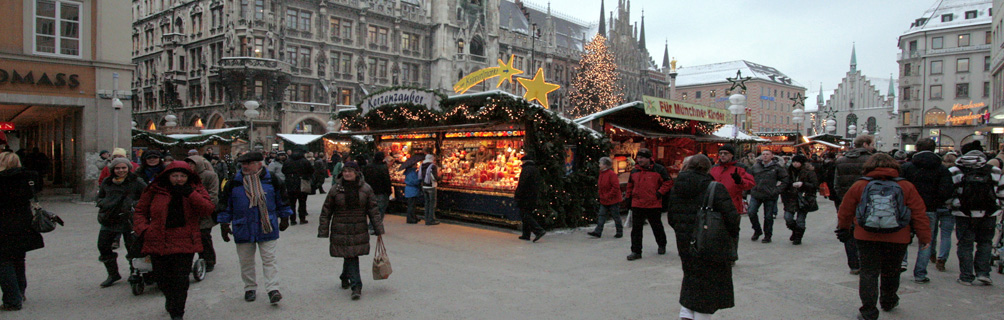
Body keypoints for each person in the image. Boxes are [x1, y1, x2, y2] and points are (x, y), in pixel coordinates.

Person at [837, 153, 930, 320]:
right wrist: (924, 237)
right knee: (892, 271)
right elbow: (919, 213)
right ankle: (888, 300)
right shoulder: (906, 186)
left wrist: (843, 228)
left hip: (866, 235)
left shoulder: (860, 185)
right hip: (898, 236)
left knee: (868, 273)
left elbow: (845, 210)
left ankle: (868, 311)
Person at [133, 161, 215, 320]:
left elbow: (207, 209)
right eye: (175, 176)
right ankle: (171, 301)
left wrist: (190, 193)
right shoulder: (155, 190)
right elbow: (140, 211)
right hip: (158, 238)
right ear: (168, 176)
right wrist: (143, 229)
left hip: (185, 240)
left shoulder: (195, 189)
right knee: (161, 278)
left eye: (183, 176)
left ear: (188, 177)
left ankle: (177, 313)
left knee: (180, 280)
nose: (179, 179)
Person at [666, 154, 739, 320]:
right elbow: (732, 219)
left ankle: (686, 314)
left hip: (685, 242)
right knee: (708, 284)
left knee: (691, 277)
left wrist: (683, 231)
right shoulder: (714, 187)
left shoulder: (677, 186)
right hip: (710, 243)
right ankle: (699, 316)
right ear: (708, 168)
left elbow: (671, 216)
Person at [218, 151, 293, 304]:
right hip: (243, 226)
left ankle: (273, 289)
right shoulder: (234, 182)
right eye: (243, 163)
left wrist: (285, 217)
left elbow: (282, 200)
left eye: (249, 163)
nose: (245, 166)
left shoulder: (272, 180)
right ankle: (250, 288)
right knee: (246, 261)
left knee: (269, 259)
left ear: (259, 164)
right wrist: (224, 224)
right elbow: (225, 204)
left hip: (267, 225)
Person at [317, 162, 385, 300]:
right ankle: (355, 285)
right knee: (351, 255)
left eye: (350, 171)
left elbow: (373, 210)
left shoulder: (366, 189)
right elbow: (326, 210)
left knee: (351, 255)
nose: (347, 174)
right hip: (341, 227)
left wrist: (378, 228)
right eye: (345, 171)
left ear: (357, 173)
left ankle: (348, 279)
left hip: (358, 226)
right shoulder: (335, 189)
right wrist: (323, 229)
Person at [0, 152, 52, 311]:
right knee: (18, 258)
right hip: (24, 221)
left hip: (3, 223)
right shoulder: (30, 177)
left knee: (3, 261)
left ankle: (12, 299)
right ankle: (20, 291)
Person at [948, 141, 1004, 286]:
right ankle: (983, 273)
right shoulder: (995, 170)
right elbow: (1001, 193)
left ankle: (966, 276)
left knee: (965, 244)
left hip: (964, 213)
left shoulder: (955, 170)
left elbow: (949, 193)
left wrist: (952, 206)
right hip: (989, 213)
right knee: (985, 243)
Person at [900, 138, 954, 282]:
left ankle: (902, 261)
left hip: (907, 207)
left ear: (916, 148)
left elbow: (899, 187)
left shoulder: (907, 167)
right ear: (934, 148)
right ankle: (920, 273)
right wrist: (935, 202)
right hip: (929, 208)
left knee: (904, 236)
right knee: (926, 241)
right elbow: (946, 191)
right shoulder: (941, 169)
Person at [95, 158, 146, 287]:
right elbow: (100, 196)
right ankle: (113, 274)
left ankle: (134, 272)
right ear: (113, 169)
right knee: (103, 245)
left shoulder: (136, 181)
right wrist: (104, 203)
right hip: (109, 219)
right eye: (117, 168)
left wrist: (134, 205)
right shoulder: (107, 181)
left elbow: (147, 195)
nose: (121, 170)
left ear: (128, 168)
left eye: (123, 168)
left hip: (129, 219)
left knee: (133, 247)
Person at [833, 135, 876, 274]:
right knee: (866, 231)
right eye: (871, 144)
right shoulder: (871, 160)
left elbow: (836, 183)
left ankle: (853, 264)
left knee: (848, 231)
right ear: (865, 144)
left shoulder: (841, 160)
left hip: (847, 201)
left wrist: (843, 199)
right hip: (868, 202)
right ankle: (865, 262)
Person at [624, 148, 671, 260]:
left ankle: (661, 244)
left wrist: (659, 193)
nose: (639, 160)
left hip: (653, 203)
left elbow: (668, 182)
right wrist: (628, 198)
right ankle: (636, 251)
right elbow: (630, 185)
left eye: (642, 158)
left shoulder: (659, 170)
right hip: (637, 203)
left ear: (649, 158)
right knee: (636, 229)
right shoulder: (634, 171)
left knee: (656, 226)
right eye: (638, 158)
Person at [185, 155, 221, 272]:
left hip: (205, 212)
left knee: (204, 236)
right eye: (188, 164)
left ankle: (208, 260)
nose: (190, 166)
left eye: (192, 164)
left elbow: (213, 194)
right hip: (188, 213)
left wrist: (202, 204)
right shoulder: (185, 176)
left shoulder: (210, 176)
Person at [747, 149, 789, 244]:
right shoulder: (756, 166)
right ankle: (757, 230)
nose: (765, 156)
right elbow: (749, 178)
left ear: (772, 156)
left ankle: (767, 235)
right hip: (756, 193)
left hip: (770, 194)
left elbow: (785, 180)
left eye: (767, 154)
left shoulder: (777, 167)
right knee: (751, 212)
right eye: (763, 154)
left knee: (768, 216)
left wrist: (777, 190)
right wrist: (748, 190)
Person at [780, 154, 817, 245]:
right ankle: (795, 230)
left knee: (801, 220)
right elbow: (785, 183)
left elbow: (815, 185)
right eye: (794, 162)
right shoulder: (788, 171)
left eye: (797, 162)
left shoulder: (809, 172)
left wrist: (803, 184)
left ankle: (798, 237)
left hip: (804, 198)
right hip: (790, 197)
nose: (795, 164)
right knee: (788, 218)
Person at [710, 145, 755, 216]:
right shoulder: (713, 168)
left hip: (733, 204)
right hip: (715, 204)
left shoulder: (741, 168)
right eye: (721, 153)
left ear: (732, 155)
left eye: (725, 153)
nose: (722, 155)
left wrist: (740, 181)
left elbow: (750, 184)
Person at [588, 157, 623, 238]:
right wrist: (601, 195)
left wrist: (608, 195)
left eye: (601, 163)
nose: (599, 165)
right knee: (601, 215)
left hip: (613, 199)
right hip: (604, 198)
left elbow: (615, 187)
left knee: (615, 216)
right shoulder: (602, 173)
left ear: (605, 165)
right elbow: (601, 186)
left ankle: (619, 231)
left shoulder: (611, 174)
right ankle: (598, 231)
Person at [515, 153, 546, 242]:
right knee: (527, 213)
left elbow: (522, 184)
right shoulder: (534, 169)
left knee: (525, 214)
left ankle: (538, 230)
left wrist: (518, 194)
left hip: (526, 196)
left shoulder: (526, 170)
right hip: (532, 195)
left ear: (524, 161)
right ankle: (526, 234)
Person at [361, 152, 392, 232]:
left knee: (371, 209)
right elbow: (386, 180)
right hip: (381, 192)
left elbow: (363, 178)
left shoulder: (368, 167)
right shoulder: (383, 167)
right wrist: (389, 191)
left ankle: (371, 226)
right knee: (380, 210)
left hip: (369, 191)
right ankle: (374, 226)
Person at [282, 150, 314, 225]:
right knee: (302, 202)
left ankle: (293, 220)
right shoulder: (305, 161)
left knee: (292, 203)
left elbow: (283, 170)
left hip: (290, 183)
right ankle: (302, 218)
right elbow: (311, 170)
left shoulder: (287, 161)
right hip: (302, 183)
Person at [401, 153, 424, 224]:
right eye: (415, 164)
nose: (417, 165)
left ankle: (413, 217)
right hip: (412, 190)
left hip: (410, 190)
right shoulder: (412, 173)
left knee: (412, 205)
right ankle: (410, 218)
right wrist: (420, 179)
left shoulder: (410, 172)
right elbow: (414, 181)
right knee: (411, 205)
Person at [419, 154, 441, 225]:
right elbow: (434, 178)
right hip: (431, 186)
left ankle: (426, 218)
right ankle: (431, 219)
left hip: (424, 186)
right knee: (432, 204)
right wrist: (439, 176)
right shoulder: (432, 166)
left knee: (427, 203)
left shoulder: (422, 165)